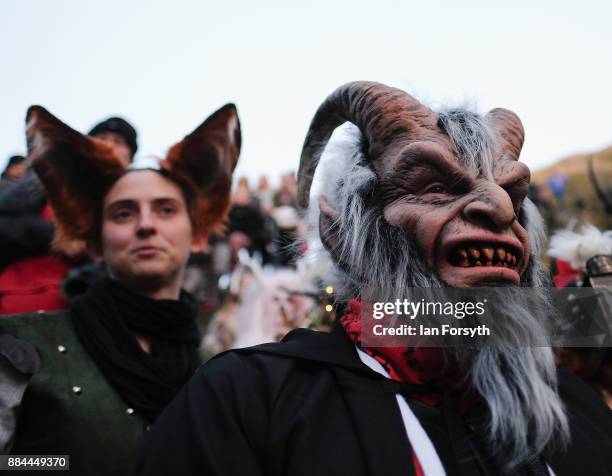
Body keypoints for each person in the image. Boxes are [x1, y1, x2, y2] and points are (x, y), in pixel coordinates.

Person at [133, 82, 612, 476]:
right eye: (434, 186)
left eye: (512, 192)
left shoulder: (574, 411)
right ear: (341, 233)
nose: (499, 209)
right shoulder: (250, 398)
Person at [1, 102, 241, 474]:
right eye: (123, 213)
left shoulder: (219, 377)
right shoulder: (22, 345)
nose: (146, 225)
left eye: (166, 210)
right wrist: (54, 465)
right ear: (94, 242)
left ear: (198, 234)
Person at [0, 115, 140, 314]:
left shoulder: (141, 197)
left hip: (99, 317)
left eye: (118, 141)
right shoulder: (44, 184)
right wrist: (57, 235)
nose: (108, 144)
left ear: (130, 156)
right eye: (101, 137)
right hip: (15, 304)